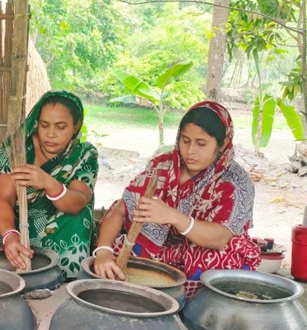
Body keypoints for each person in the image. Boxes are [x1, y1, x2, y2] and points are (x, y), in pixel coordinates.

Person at [93, 101, 260, 297]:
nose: (190, 151)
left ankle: (197, 304)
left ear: (222, 144)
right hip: (161, 250)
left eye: (201, 143)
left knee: (215, 259)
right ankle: (143, 292)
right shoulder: (162, 166)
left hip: (204, 249)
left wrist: (173, 217)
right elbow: (121, 209)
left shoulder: (234, 182)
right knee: (121, 248)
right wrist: (103, 251)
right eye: (185, 140)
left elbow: (221, 238)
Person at [0, 90, 99, 279]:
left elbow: (77, 201)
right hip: (7, 222)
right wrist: (10, 235)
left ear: (76, 126)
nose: (51, 134)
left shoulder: (84, 154)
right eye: (44, 125)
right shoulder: (19, 147)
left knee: (79, 216)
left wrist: (48, 183)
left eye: (60, 127)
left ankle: (58, 281)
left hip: (51, 228)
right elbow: (4, 198)